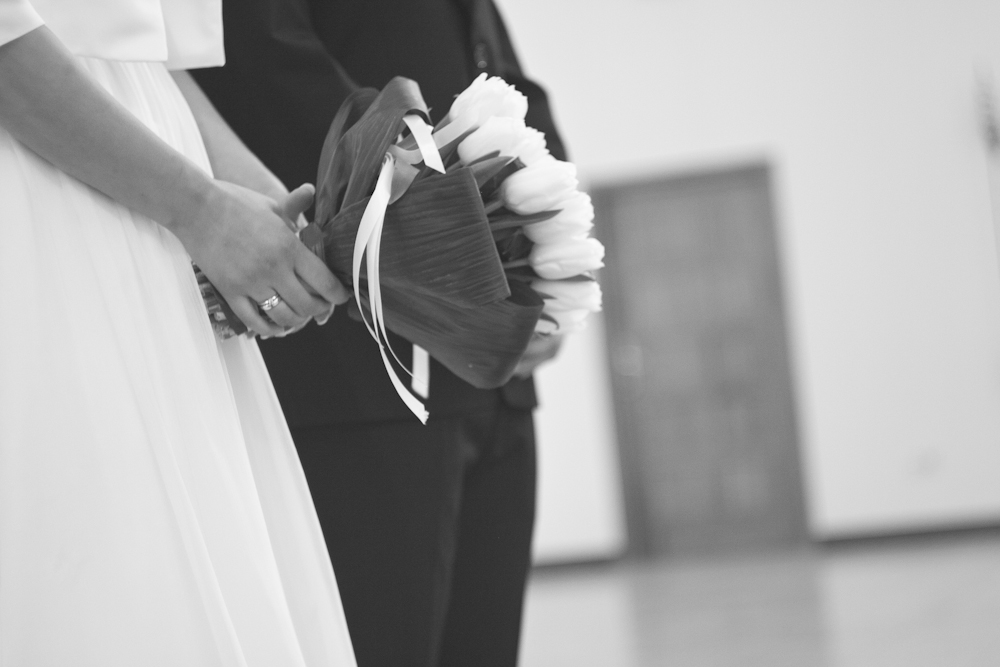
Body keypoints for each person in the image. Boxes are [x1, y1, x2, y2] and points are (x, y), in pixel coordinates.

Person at [192, 1, 567, 665]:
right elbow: (262, 52)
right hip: (361, 365)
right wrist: (453, 230)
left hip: (496, 373)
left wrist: (547, 248)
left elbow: (494, 63)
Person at [0, 0, 357, 664]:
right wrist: (200, 209)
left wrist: (240, 185)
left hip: (146, 153)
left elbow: (139, 45)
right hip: (38, 172)